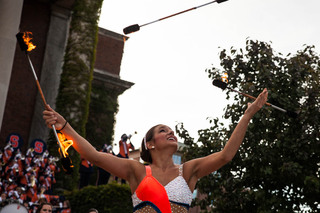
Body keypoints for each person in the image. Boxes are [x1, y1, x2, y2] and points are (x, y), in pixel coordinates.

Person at [43, 89, 268, 213]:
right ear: (150, 143)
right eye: (163, 130)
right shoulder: (136, 170)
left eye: (172, 130)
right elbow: (93, 156)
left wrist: (247, 115)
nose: (171, 132)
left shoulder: (188, 170)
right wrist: (65, 126)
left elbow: (226, 155)